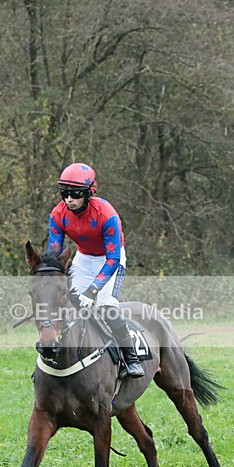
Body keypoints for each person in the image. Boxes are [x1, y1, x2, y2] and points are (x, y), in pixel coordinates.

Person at [46, 162, 144, 378]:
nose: (68, 199)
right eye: (65, 193)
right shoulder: (58, 214)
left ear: (89, 193)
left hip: (110, 260)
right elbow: (53, 254)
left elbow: (113, 259)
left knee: (106, 307)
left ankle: (131, 359)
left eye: (75, 193)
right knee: (71, 305)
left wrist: (92, 291)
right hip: (83, 258)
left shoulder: (106, 214)